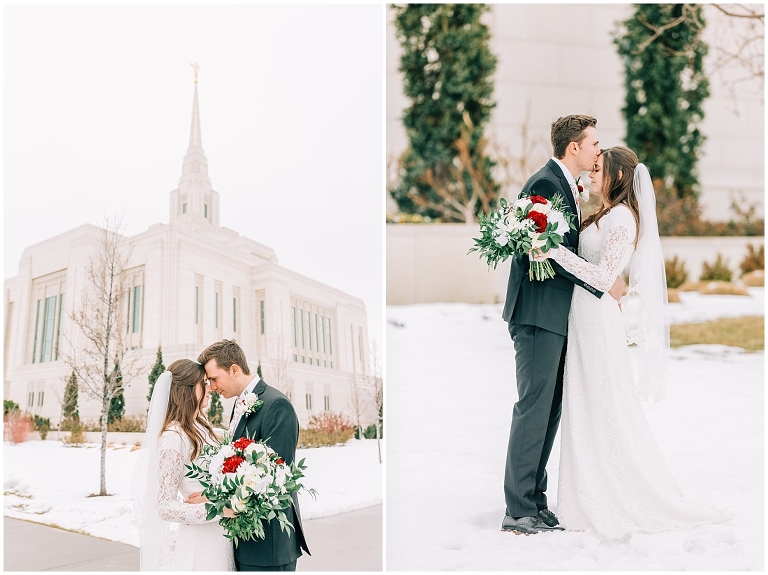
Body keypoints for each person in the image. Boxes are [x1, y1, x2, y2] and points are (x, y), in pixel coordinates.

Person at [535, 146, 730, 537]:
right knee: (585, 401)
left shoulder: (623, 217)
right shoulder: (605, 213)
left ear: (619, 176)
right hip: (583, 316)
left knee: (603, 401)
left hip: (597, 318)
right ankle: (586, 492)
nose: (591, 174)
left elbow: (605, 278)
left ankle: (614, 493)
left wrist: (552, 251)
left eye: (598, 169)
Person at [500, 115, 627, 535]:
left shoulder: (566, 187)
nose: (598, 152)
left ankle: (534, 501)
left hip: (555, 316)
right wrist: (602, 284)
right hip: (537, 314)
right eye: (593, 144)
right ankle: (518, 508)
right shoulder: (545, 184)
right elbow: (541, 251)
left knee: (549, 410)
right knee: (535, 407)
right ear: (574, 147)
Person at [196, 339, 310, 572]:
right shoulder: (239, 405)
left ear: (234, 370)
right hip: (243, 541)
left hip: (268, 546)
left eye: (214, 378)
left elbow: (276, 480)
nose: (212, 387)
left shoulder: (276, 405)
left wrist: (213, 500)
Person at [131, 359, 236, 571]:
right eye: (203, 383)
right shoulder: (173, 437)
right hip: (201, 541)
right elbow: (165, 507)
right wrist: (219, 509)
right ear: (186, 390)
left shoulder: (201, 428)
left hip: (222, 535)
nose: (210, 388)